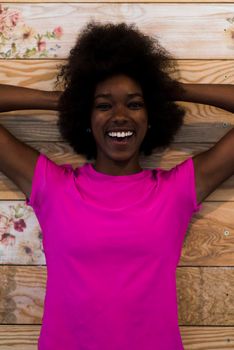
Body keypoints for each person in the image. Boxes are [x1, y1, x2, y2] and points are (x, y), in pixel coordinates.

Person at [0, 21, 233, 350]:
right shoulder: (52, 187)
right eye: (104, 105)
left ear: (150, 118)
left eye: (135, 104)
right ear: (86, 117)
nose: (120, 115)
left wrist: (172, 91)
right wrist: (64, 99)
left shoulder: (176, 191)